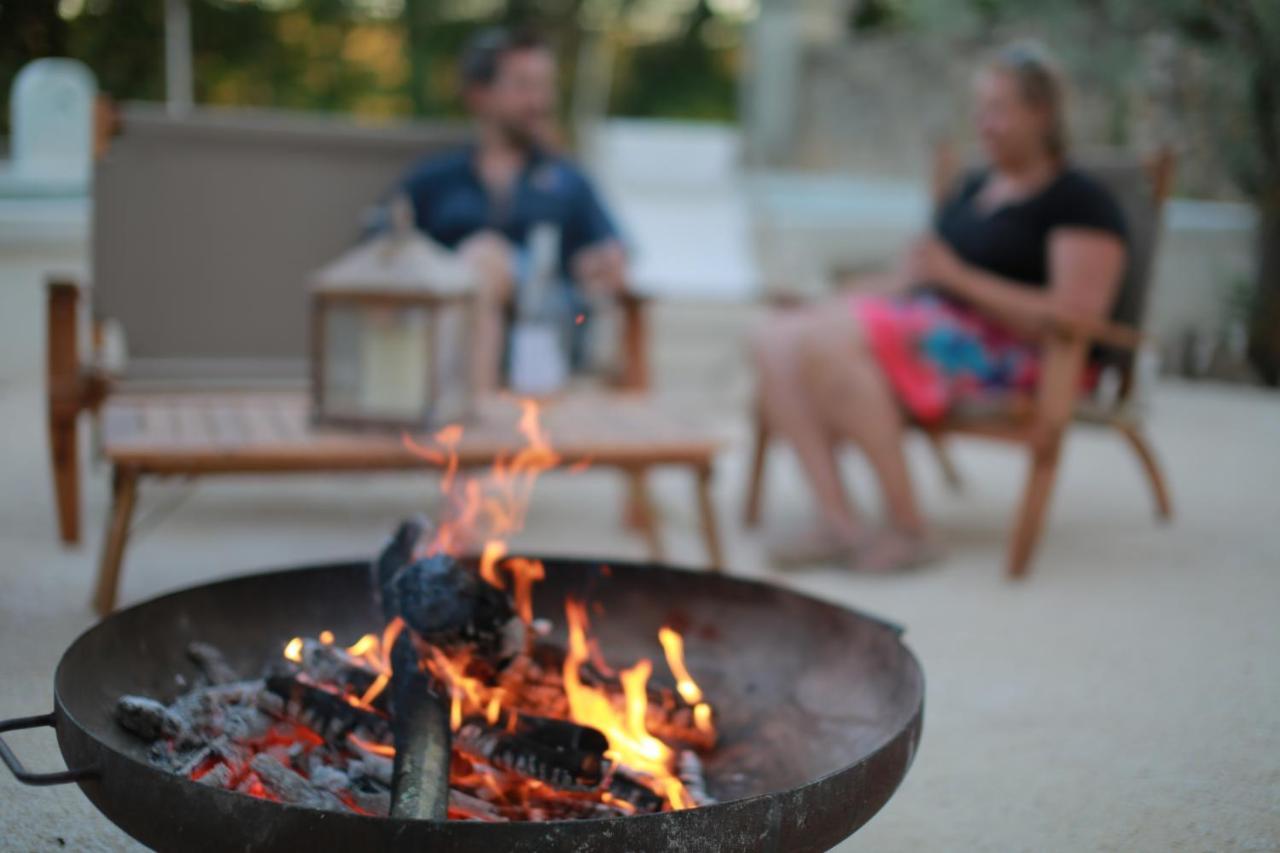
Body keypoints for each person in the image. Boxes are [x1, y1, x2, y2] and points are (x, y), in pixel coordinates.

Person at [750, 42, 1128, 572]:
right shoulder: (975, 186)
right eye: (981, 110)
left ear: (1041, 113)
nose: (984, 124)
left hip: (1022, 355)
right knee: (777, 333)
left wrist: (960, 279)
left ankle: (910, 528)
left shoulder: (1080, 199)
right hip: (934, 329)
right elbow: (914, 277)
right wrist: (824, 301)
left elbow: (1076, 315)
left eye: (998, 110)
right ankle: (837, 520)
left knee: (823, 342)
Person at [384, 27, 627, 391]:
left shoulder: (568, 179)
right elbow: (379, 250)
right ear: (479, 95)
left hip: (546, 329)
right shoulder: (432, 180)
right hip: (437, 315)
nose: (539, 101)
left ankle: (466, 422)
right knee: (479, 259)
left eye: (545, 86)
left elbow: (611, 255)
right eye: (523, 86)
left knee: (485, 256)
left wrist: (599, 264)